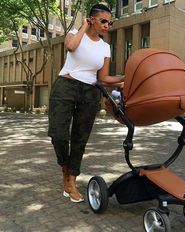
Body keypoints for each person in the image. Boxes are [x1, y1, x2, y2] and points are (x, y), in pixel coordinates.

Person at [48, 4, 124, 203]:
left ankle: (71, 181)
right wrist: (83, 26)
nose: (108, 25)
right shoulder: (75, 33)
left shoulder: (105, 47)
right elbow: (71, 47)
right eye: (103, 21)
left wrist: (124, 79)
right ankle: (65, 170)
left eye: (110, 22)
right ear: (91, 19)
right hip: (65, 86)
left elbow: (104, 77)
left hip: (90, 92)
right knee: (58, 134)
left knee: (80, 139)